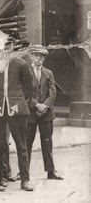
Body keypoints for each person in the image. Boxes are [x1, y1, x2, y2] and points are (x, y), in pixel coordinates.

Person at [0, 56, 35, 191]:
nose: (6, 48)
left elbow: (29, 87)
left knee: (22, 146)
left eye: (9, 44)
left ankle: (25, 180)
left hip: (16, 108)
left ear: (13, 45)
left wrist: (20, 101)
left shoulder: (21, 64)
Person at [26, 45, 63, 180]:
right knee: (27, 143)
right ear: (31, 56)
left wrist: (44, 106)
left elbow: (53, 93)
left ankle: (51, 171)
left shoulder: (48, 73)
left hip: (46, 114)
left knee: (47, 142)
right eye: (36, 55)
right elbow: (24, 92)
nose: (39, 59)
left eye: (42, 56)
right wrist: (37, 105)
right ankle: (24, 173)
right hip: (30, 113)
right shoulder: (25, 71)